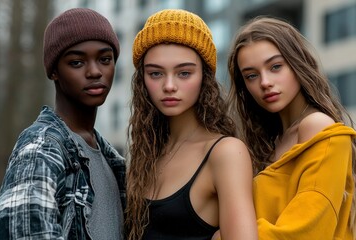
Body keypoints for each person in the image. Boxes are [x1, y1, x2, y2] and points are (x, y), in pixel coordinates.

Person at [125, 9, 258, 240]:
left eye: (184, 73)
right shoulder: (146, 155)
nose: (169, 85)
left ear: (204, 77)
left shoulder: (226, 153)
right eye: (156, 74)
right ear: (142, 81)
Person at [0, 8, 126, 239]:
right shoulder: (40, 148)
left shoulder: (112, 160)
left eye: (105, 59)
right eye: (77, 62)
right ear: (54, 71)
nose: (95, 71)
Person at [226, 16, 356, 239]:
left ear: (297, 64)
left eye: (276, 67)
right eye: (251, 75)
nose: (264, 82)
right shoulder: (269, 143)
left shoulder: (319, 128)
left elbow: (308, 230)